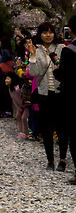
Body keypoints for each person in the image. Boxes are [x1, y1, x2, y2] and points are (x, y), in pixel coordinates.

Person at [27, 21, 68, 171]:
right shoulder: (36, 51)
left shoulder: (62, 48)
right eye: (45, 32)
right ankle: (50, 159)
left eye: (51, 32)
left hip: (60, 93)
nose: (48, 35)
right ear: (40, 35)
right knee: (47, 128)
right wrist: (32, 55)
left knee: (62, 128)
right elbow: (33, 73)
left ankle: (62, 160)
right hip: (44, 94)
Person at [54, 14, 76, 185]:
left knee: (73, 135)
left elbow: (64, 76)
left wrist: (56, 70)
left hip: (71, 98)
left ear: (71, 30)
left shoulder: (68, 50)